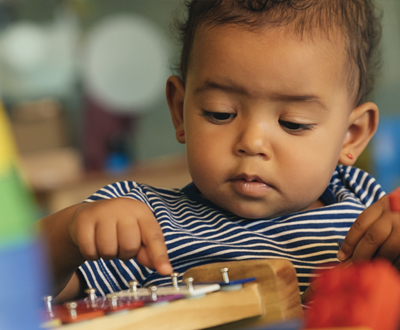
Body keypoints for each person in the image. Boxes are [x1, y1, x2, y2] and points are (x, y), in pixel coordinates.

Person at [39, 0, 400, 304]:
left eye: (293, 122)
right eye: (220, 113)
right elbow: (23, 291)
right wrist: (68, 234)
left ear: (351, 135)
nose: (252, 143)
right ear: (180, 110)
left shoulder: (368, 218)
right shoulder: (144, 223)